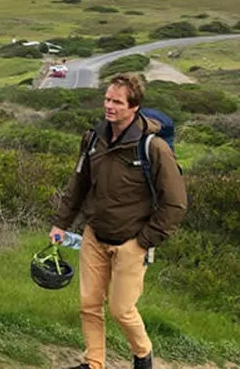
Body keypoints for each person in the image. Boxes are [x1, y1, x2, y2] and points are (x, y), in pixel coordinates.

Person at [49, 74, 187, 369]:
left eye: (117, 102)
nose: (109, 106)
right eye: (107, 99)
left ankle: (142, 354)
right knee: (89, 305)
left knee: (122, 310)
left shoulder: (153, 149)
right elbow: (78, 185)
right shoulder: (93, 139)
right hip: (94, 235)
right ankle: (94, 362)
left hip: (132, 242)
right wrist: (61, 223)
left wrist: (144, 241)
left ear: (134, 106)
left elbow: (176, 203)